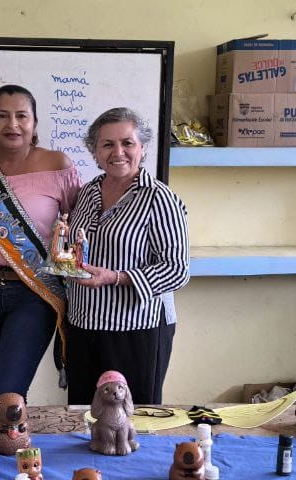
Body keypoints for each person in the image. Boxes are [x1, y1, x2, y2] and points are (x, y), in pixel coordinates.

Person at [0, 85, 80, 404]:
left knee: (7, 393)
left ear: (34, 123)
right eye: (2, 116)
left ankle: (11, 436)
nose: (12, 124)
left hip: (34, 293)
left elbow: (77, 227)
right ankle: (2, 438)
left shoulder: (58, 165)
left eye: (21, 116)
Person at [65, 108, 189, 405]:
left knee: (134, 416)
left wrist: (116, 277)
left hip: (135, 329)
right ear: (95, 151)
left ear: (142, 147)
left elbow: (177, 270)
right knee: (84, 414)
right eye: (107, 144)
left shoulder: (159, 198)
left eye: (127, 143)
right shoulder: (87, 193)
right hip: (83, 324)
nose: (118, 152)